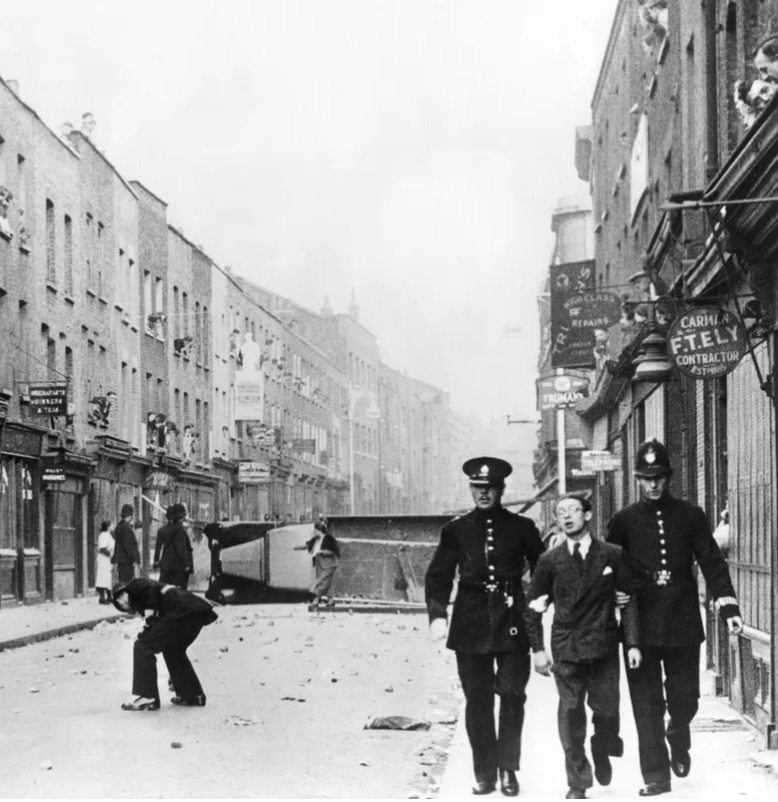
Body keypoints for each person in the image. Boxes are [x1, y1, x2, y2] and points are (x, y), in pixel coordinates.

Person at [607, 439, 743, 797]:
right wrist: (613, 601)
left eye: (660, 477)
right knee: (646, 705)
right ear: (638, 479)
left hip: (683, 621)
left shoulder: (691, 515)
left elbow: (711, 561)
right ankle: (655, 776)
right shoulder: (623, 521)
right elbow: (609, 567)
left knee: (685, 698)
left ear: (669, 477)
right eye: (647, 478)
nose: (653, 484)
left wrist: (728, 605)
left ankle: (678, 732)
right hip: (641, 626)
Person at [425, 456, 545, 797]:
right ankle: (485, 773)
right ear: (471, 489)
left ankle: (508, 769)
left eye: (489, 488)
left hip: (512, 621)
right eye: (477, 488)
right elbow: (438, 576)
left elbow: (542, 570)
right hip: (470, 623)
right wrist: (437, 615)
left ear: (501, 489)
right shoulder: (456, 530)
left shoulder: (522, 529)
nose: (483, 493)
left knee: (512, 695)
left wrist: (539, 604)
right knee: (477, 702)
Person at [525, 494, 642, 800]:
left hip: (603, 645)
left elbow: (628, 601)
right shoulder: (549, 560)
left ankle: (602, 746)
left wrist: (632, 644)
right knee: (571, 711)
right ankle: (577, 782)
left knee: (607, 713)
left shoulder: (612, 554)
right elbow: (535, 607)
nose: (567, 517)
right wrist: (537, 649)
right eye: (561, 512)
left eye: (574, 510)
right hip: (567, 647)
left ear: (588, 516)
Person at [112, 578, 218, 711]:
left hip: (182, 613)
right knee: (172, 649)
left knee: (142, 646)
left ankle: (146, 696)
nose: (131, 611)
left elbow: (148, 591)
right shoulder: (156, 594)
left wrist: (150, 618)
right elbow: (159, 625)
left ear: (121, 599)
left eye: (124, 608)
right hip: (196, 612)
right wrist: (150, 625)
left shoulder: (134, 586)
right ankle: (192, 694)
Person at [294, 515, 341, 608]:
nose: (313, 532)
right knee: (328, 582)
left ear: (319, 530)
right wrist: (296, 547)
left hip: (328, 563)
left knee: (321, 582)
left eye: (315, 530)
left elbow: (333, 551)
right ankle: (330, 601)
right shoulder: (315, 540)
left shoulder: (328, 538)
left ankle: (316, 600)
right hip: (319, 563)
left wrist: (322, 552)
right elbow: (307, 546)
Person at [153, 503, 194, 589]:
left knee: (165, 591)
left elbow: (158, 548)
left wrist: (156, 562)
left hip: (165, 565)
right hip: (178, 567)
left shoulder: (162, 530)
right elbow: (181, 549)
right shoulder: (179, 529)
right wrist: (186, 564)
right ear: (183, 516)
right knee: (179, 593)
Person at [112, 503, 141, 583]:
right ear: (129, 516)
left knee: (122, 580)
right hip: (127, 560)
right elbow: (128, 545)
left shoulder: (119, 526)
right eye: (131, 515)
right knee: (128, 581)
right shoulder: (126, 528)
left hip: (121, 559)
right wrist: (133, 560)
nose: (132, 517)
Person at [95, 520, 115, 604]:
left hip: (108, 559)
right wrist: (110, 555)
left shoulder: (109, 535)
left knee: (108, 578)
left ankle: (109, 597)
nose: (113, 526)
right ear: (108, 526)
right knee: (102, 577)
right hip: (104, 559)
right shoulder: (103, 535)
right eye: (112, 524)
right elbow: (102, 548)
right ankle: (102, 598)